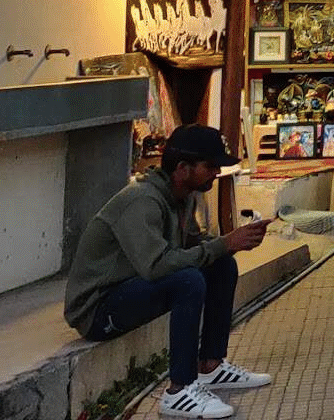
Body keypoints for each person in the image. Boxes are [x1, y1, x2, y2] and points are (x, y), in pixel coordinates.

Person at [64, 125, 274, 419]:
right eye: (210, 166)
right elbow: (157, 266)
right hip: (97, 310)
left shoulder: (182, 197)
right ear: (183, 168)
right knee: (188, 281)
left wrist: (232, 243)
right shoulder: (142, 201)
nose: (216, 172)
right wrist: (223, 244)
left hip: (131, 288)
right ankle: (179, 391)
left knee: (223, 265)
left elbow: (193, 245)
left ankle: (211, 367)